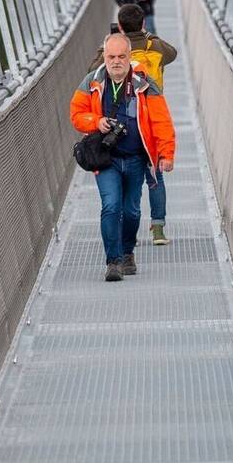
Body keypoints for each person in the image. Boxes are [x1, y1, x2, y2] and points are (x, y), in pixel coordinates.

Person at [71, 32, 175, 281]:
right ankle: (113, 261)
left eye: (121, 56)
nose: (116, 61)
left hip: (137, 158)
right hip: (107, 159)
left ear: (130, 56)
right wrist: (96, 121)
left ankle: (128, 252)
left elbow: (161, 121)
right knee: (111, 206)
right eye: (111, 56)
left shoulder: (146, 84)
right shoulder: (92, 82)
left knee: (132, 211)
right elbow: (76, 115)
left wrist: (166, 153)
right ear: (104, 57)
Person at [89, 4, 177, 246]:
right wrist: (150, 36)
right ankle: (158, 228)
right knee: (155, 176)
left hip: (123, 123)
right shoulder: (155, 47)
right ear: (143, 24)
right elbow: (174, 53)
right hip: (152, 118)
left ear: (119, 26)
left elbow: (92, 72)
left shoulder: (115, 53)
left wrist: (107, 47)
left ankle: (127, 234)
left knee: (126, 181)